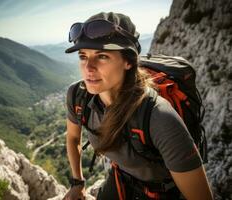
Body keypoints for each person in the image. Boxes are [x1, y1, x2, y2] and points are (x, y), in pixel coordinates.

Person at [63, 12, 213, 200]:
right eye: (83, 56)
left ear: (128, 61)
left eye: (101, 56)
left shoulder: (158, 117)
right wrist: (78, 183)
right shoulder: (78, 96)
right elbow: (73, 138)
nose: (88, 67)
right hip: (122, 179)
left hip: (164, 192)